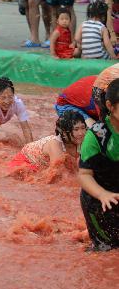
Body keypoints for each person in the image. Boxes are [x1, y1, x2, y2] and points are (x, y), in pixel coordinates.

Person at [78, 79, 119, 250]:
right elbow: (84, 175)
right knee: (107, 252)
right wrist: (102, 194)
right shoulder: (96, 135)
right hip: (98, 201)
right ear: (110, 105)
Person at [9, 112, 86, 174]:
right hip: (25, 161)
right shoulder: (55, 144)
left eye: (83, 128)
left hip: (43, 163)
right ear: (64, 133)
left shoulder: (81, 140)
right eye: (76, 129)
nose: (81, 133)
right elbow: (55, 175)